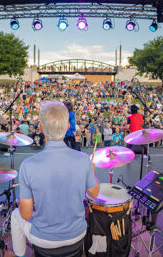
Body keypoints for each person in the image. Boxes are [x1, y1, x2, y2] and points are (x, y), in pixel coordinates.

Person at [11, 100, 99, 256]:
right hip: (77, 234)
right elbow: (94, 194)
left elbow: (26, 215)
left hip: (44, 239)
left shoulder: (28, 165)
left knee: (15, 215)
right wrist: (92, 171)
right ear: (66, 128)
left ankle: (20, 255)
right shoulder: (84, 159)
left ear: (41, 128)